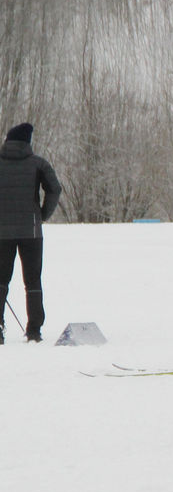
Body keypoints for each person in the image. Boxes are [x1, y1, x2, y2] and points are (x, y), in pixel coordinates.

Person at [0, 123, 62, 344]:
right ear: (27, 142)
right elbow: (55, 188)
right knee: (33, 280)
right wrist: (43, 214)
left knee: (1, 280)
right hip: (31, 232)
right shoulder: (38, 164)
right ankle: (34, 329)